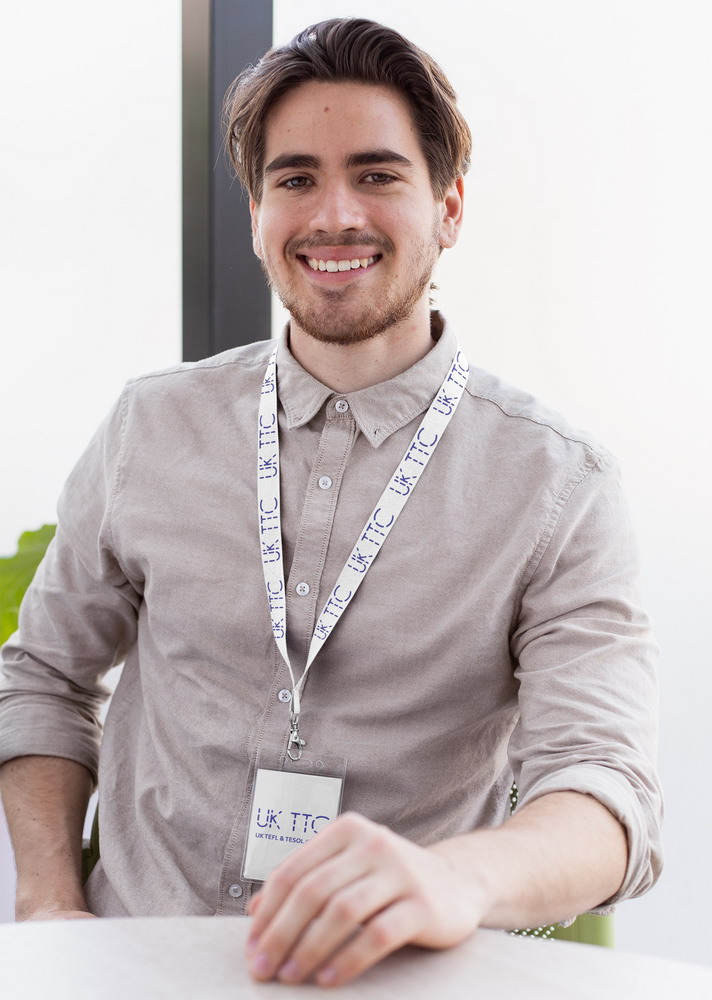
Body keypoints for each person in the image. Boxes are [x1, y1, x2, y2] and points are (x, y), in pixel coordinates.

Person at [0, 17, 661, 988]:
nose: (333, 215)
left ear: (450, 207)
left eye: (379, 174)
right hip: (132, 967)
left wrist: (454, 878)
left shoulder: (558, 484)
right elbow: (44, 680)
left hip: (388, 981)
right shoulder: (151, 426)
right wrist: (52, 909)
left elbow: (606, 792)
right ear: (259, 212)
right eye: (296, 178)